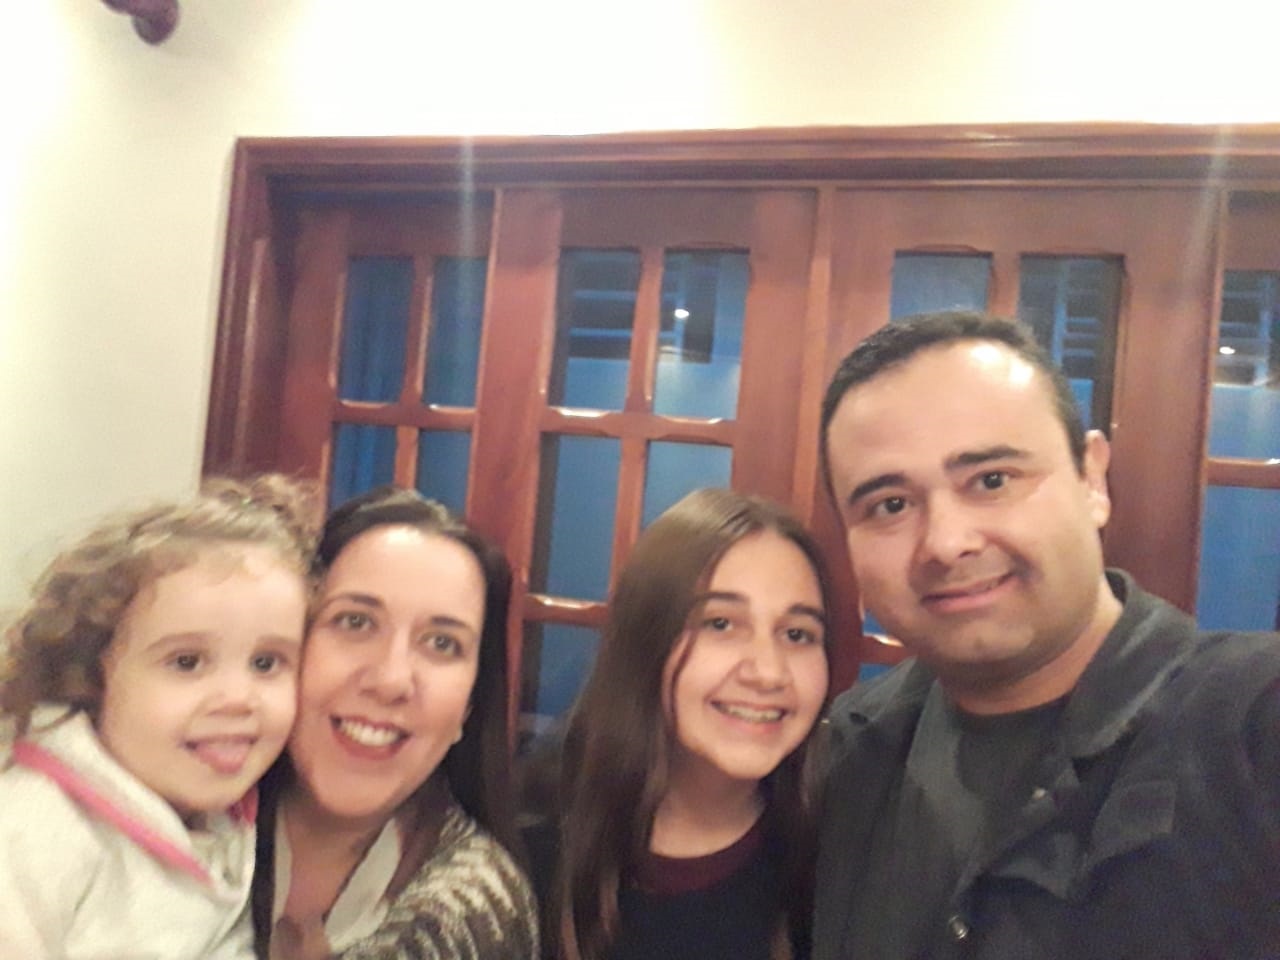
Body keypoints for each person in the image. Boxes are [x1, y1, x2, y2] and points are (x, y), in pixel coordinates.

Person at [814, 310, 1280, 960]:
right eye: (890, 505)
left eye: (992, 480)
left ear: (1092, 480)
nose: (946, 542)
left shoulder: (1251, 728)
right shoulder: (847, 752)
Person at [0, 475, 316, 959]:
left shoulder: (235, 825)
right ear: (94, 674)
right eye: (186, 662)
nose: (238, 698)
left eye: (266, 663)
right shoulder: (34, 828)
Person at [527, 488, 833, 960]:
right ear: (646, 638)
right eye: (720, 624)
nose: (768, 672)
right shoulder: (529, 844)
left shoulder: (843, 855)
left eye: (797, 634)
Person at [252, 486, 538, 960]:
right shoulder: (185, 825)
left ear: (469, 705)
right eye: (356, 622)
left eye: (442, 643)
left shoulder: (471, 912)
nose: (390, 680)